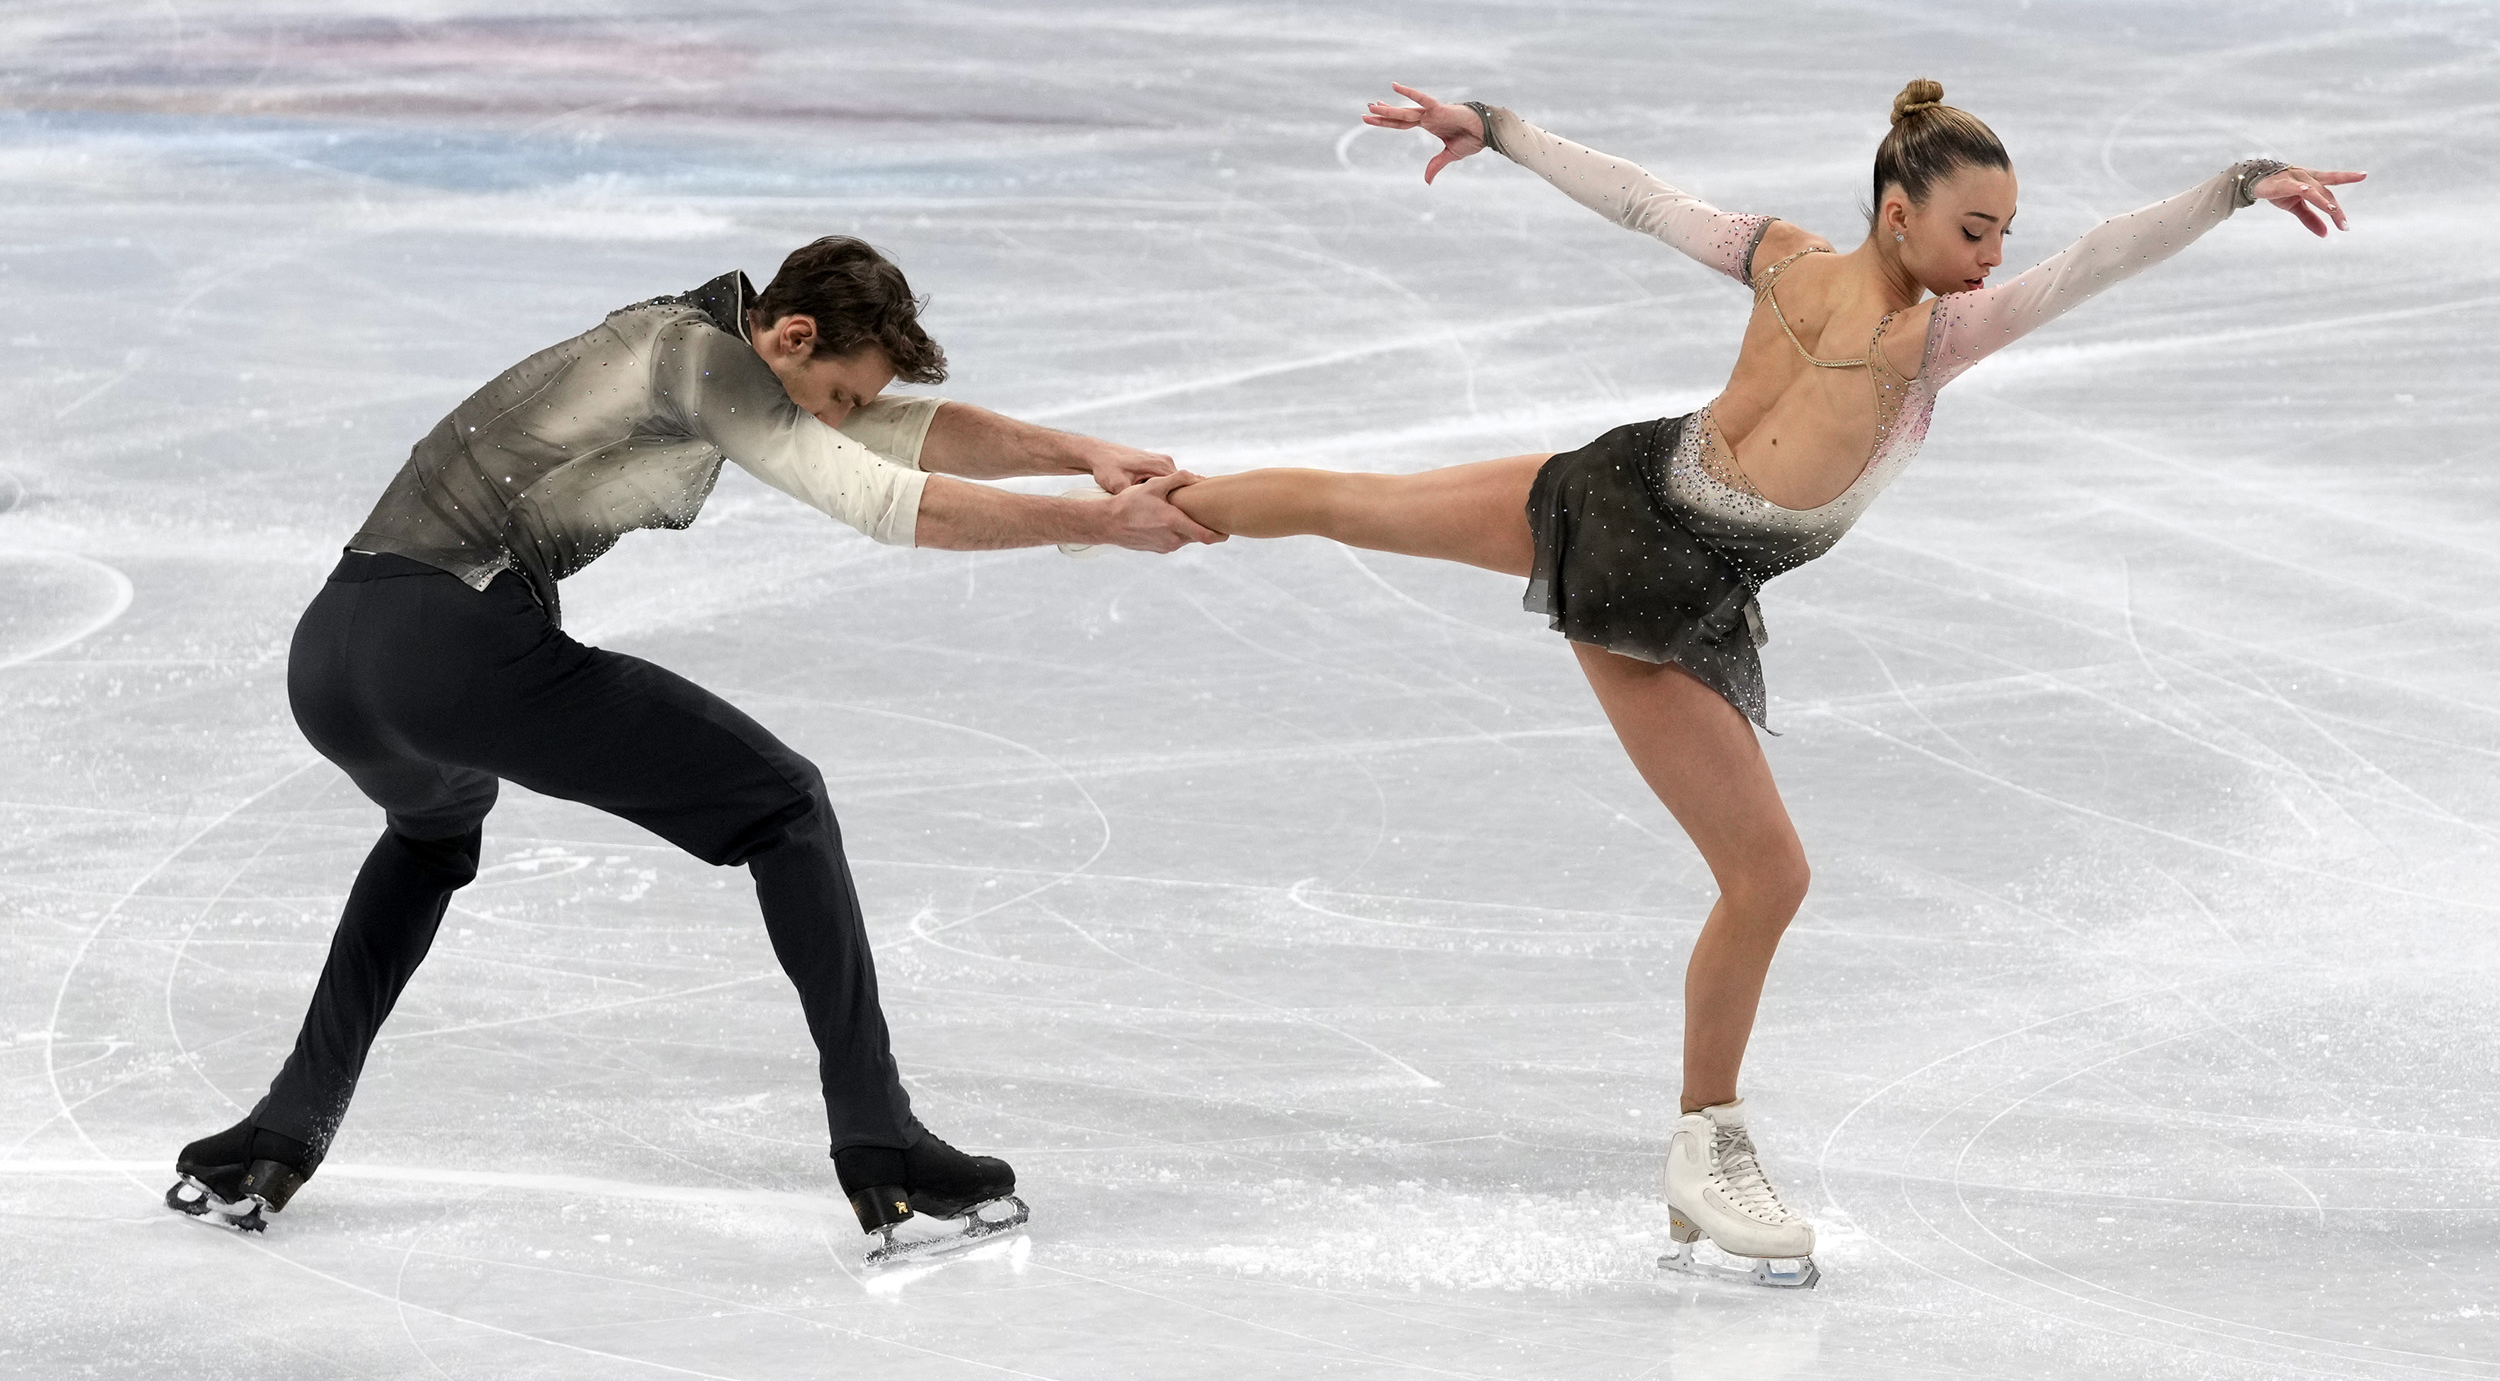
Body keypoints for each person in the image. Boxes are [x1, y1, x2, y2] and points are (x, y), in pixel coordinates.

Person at [1166, 80, 2361, 1287]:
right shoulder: (1927, 341)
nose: (1995, 257)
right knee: (1767, 874)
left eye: (2003, 232)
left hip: (1614, 481)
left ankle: (1105, 513)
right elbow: (2094, 266)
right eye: (1972, 232)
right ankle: (1707, 1143)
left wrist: (1502, 126)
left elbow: (1642, 203)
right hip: (1650, 581)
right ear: (1898, 213)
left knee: (1346, 502)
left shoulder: (1783, 258)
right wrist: (2233, 185)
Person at [165, 236, 1225, 1261]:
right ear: (793, 334)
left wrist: (1078, 457)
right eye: (840, 392)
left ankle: (274, 1136)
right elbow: (876, 493)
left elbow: (893, 434)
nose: (844, 417)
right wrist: (1094, 526)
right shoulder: (698, 357)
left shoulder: (694, 350)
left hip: (336, 654)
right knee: (785, 806)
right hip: (455, 644)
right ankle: (880, 1140)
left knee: (433, 837)